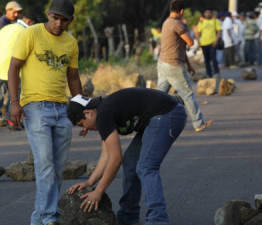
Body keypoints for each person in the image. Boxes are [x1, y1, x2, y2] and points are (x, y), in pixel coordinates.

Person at [8, 0, 83, 224]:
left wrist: (81, 109)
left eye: (63, 20)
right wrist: (14, 102)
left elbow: (73, 77)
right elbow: (14, 67)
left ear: (70, 21)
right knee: (46, 164)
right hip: (36, 106)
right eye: (55, 18)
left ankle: (44, 216)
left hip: (62, 108)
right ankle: (46, 217)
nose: (58, 24)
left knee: (58, 169)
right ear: (48, 15)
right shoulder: (31, 34)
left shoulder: (71, 42)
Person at [66, 88, 187, 225]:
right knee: (130, 163)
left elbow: (116, 158)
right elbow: (106, 154)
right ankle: (128, 217)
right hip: (156, 119)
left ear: (87, 113)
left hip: (168, 114)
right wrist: (89, 182)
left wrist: (98, 191)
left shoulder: (103, 114)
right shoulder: (103, 111)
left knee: (146, 167)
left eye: (82, 125)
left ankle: (158, 220)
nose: (85, 130)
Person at [157, 0, 211, 132]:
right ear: (181, 11)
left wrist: (189, 65)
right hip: (173, 64)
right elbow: (190, 42)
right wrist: (188, 28)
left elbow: (179, 46)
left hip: (162, 63)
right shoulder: (177, 24)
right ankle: (198, 123)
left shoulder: (165, 23)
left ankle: (149, 122)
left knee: (158, 96)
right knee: (187, 94)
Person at [0, 12, 36, 127]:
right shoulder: (26, 32)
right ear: (29, 22)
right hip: (13, 68)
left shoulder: (6, 28)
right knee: (14, 95)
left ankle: (3, 118)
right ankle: (13, 121)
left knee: (1, 95)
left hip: (0, 66)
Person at [197, 9, 221, 78]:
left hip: (212, 43)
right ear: (204, 14)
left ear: (211, 14)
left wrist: (216, 40)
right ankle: (209, 74)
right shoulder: (201, 22)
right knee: (206, 60)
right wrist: (199, 42)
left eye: (209, 13)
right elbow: (198, 33)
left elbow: (219, 31)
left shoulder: (215, 21)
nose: (207, 14)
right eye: (206, 13)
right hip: (204, 43)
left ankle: (216, 73)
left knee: (214, 59)